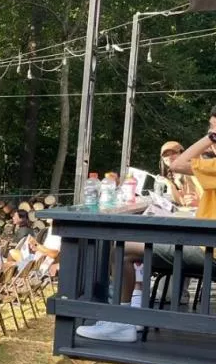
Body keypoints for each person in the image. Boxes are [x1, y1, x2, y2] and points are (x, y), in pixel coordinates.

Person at [78, 109, 216, 342]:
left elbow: (179, 163)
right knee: (141, 246)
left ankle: (121, 322)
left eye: (213, 130)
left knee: (122, 251)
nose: (211, 135)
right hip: (206, 242)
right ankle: (131, 316)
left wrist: (210, 137)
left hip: (209, 250)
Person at [159, 140, 199, 206]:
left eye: (173, 153)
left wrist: (170, 185)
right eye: (165, 155)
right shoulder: (171, 175)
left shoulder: (188, 174)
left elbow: (187, 203)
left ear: (182, 154)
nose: (169, 157)